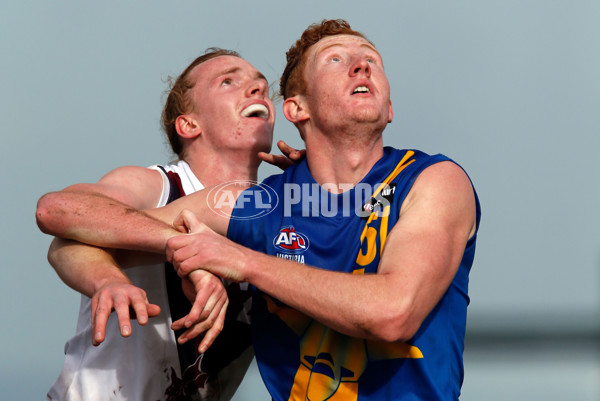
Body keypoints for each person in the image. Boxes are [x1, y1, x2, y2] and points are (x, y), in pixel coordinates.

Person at [37, 19, 481, 401]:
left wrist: (232, 259)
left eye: (372, 59)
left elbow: (393, 313)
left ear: (389, 108)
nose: (362, 64)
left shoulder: (432, 180)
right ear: (297, 108)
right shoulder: (197, 193)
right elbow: (66, 224)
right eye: (334, 60)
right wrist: (155, 260)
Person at [40, 48, 301, 401]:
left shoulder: (281, 220)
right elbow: (57, 210)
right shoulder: (159, 186)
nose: (257, 90)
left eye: (259, 85)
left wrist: (324, 191)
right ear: (189, 124)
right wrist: (117, 277)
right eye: (229, 81)